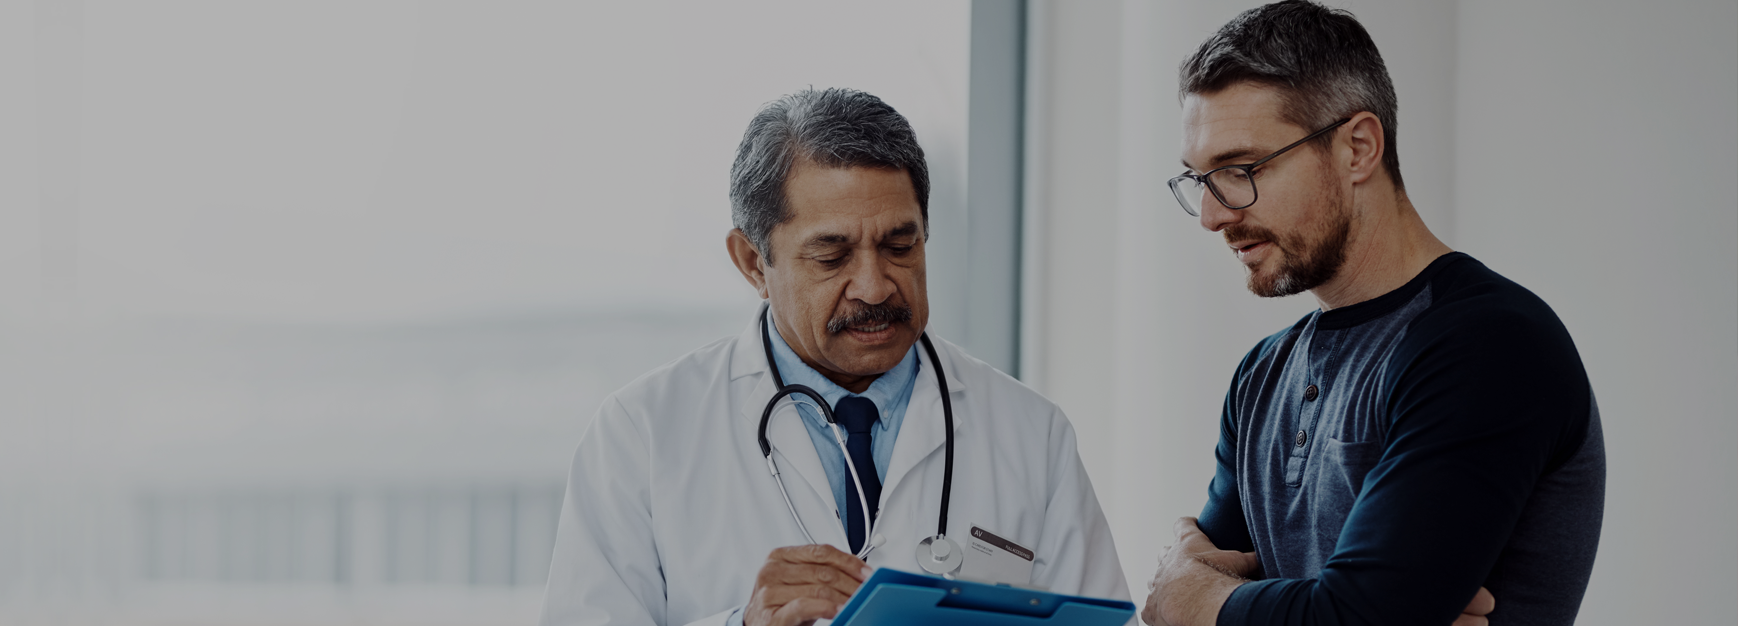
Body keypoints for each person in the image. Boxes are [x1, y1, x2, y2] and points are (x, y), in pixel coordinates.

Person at [540, 88, 1128, 626]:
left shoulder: (1031, 433)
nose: (874, 287)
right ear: (752, 262)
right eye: (831, 256)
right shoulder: (641, 433)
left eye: (901, 246)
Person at [1140, 3, 1605, 626]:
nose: (1213, 215)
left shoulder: (1490, 344)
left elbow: (1356, 615)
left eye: (1240, 170)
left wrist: (1192, 599)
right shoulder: (1263, 375)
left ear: (1358, 148)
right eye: (1200, 179)